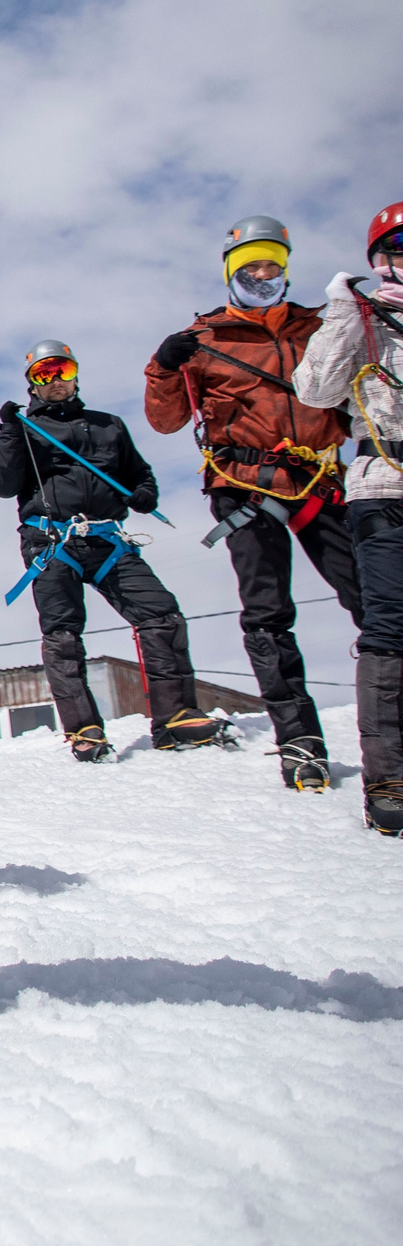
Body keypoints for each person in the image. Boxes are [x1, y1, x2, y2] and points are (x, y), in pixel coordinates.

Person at [145, 216, 362, 791]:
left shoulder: (321, 327)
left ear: (285, 270)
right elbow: (164, 421)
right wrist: (165, 367)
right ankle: (299, 740)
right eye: (250, 267)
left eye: (272, 265)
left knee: (375, 601)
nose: (262, 276)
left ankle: (386, 735)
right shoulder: (204, 339)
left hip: (321, 483)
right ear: (230, 273)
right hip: (245, 487)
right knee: (268, 615)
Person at [0, 339, 214, 763]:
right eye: (44, 374)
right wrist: (8, 432)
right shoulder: (24, 429)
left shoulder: (108, 425)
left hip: (108, 540)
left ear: (75, 374)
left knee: (160, 614)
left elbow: (138, 473)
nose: (55, 380)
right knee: (63, 634)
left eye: (62, 371)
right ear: (32, 384)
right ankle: (84, 729)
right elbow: (2, 486)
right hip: (51, 542)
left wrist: (145, 493)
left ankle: (175, 715)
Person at [293, 201, 403, 835]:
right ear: (377, 258)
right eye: (396, 247)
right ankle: (388, 777)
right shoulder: (361, 316)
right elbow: (315, 389)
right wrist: (340, 312)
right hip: (382, 484)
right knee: (390, 624)